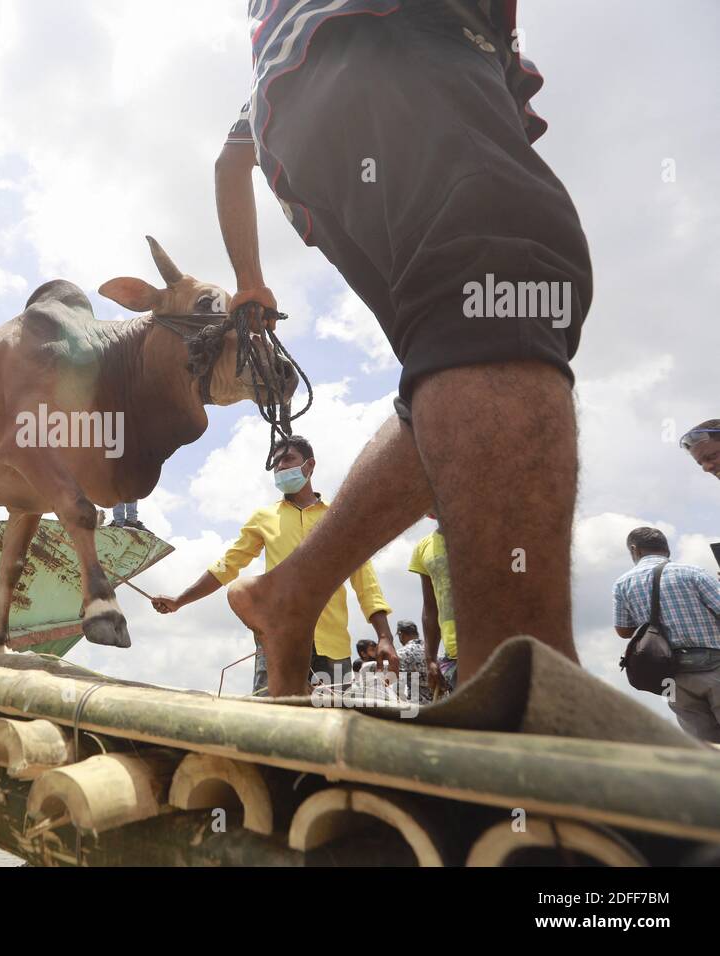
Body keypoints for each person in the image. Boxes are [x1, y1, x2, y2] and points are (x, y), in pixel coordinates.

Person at [214, 1, 591, 695]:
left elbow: (230, 162)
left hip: (308, 134)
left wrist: (250, 281)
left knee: (455, 347)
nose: (288, 467)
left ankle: (289, 592)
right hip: (408, 41)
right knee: (507, 279)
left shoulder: (285, 59)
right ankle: (522, 697)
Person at [151, 435, 394, 693]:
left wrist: (384, 636)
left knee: (329, 725)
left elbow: (364, 579)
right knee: (272, 722)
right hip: (277, 642)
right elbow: (228, 566)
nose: (280, 467)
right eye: (276, 463)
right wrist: (180, 600)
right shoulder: (263, 518)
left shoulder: (339, 518)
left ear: (310, 466)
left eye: (288, 459)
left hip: (331, 644)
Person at [614, 528, 720, 742]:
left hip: (672, 676)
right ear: (666, 548)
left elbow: (623, 631)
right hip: (714, 667)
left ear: (634, 550)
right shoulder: (693, 572)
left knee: (704, 747)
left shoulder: (623, 583)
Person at [410, 516, 459, 696]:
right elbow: (430, 608)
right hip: (453, 658)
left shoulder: (489, 531)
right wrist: (430, 659)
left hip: (493, 651)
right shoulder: (424, 547)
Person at [395, 619, 432, 703]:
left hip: (417, 707)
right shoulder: (432, 651)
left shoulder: (402, 653)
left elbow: (399, 685)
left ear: (401, 634)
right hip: (437, 705)